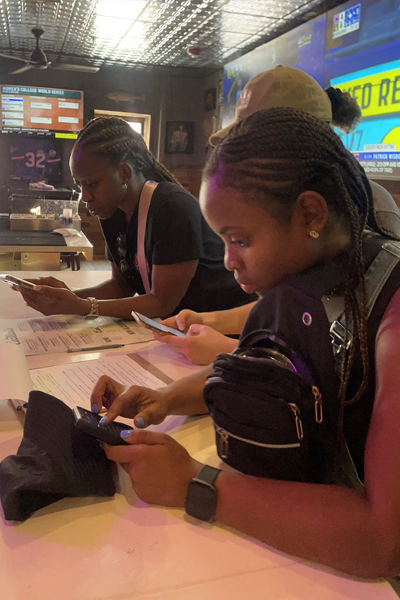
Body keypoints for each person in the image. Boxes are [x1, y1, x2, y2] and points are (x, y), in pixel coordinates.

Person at [90, 108, 400, 578]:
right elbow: (260, 366)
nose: (229, 262)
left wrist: (195, 483)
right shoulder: (311, 278)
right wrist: (168, 397)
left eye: (240, 240)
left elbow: (381, 543)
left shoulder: (390, 310)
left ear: (310, 214)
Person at [155, 66, 400, 365]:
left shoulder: (364, 208)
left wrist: (234, 354)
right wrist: (211, 321)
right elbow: (293, 302)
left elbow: (352, 316)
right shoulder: (270, 205)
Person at [16, 117, 254, 319]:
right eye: (79, 185)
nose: (84, 197)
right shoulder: (111, 210)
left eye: (92, 184)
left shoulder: (171, 207)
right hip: (177, 328)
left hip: (223, 329)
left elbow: (161, 303)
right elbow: (123, 286)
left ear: (124, 173)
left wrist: (82, 307)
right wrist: (66, 298)